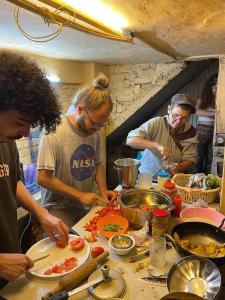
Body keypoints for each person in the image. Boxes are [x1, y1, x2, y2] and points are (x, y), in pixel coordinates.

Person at [0, 51, 69, 287]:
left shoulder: (6, 141)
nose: (26, 134)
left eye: (29, 125)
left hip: (11, 261)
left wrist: (42, 214)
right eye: (20, 122)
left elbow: (13, 181)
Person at [37, 74, 117, 228]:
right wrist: (80, 195)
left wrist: (103, 190)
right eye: (94, 124)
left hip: (84, 204)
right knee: (71, 245)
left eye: (102, 125)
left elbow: (99, 163)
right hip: (57, 207)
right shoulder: (54, 131)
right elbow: (43, 178)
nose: (97, 130)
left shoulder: (96, 131)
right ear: (80, 110)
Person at [126, 94, 197, 176]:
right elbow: (130, 140)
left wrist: (179, 167)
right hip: (148, 176)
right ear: (169, 109)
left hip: (173, 178)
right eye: (175, 115)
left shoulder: (191, 131)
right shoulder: (156, 123)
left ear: (189, 116)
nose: (178, 121)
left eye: (184, 118)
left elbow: (190, 159)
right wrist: (156, 146)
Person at [196, 74, 217, 174]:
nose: (216, 89)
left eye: (218, 86)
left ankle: (208, 184)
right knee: (198, 157)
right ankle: (196, 179)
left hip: (216, 132)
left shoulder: (221, 99)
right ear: (210, 86)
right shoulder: (204, 97)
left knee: (211, 158)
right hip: (202, 131)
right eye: (214, 86)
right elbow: (196, 111)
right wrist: (214, 114)